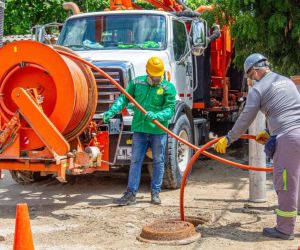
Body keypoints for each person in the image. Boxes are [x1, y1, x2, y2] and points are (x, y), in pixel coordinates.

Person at [214, 53, 300, 240]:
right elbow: (288, 110)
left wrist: (228, 139)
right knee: (297, 179)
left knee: (285, 183)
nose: (251, 80)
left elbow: (246, 118)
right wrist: (271, 135)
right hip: (294, 134)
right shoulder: (286, 81)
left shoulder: (259, 89)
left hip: (290, 138)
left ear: (255, 70)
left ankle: (284, 229)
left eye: (250, 76)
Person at [102, 57, 176, 206]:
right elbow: (124, 98)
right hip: (140, 130)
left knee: (158, 161)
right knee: (135, 161)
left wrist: (157, 116)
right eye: (154, 76)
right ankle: (131, 193)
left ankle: (155, 193)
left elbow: (169, 110)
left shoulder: (168, 88)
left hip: (158, 131)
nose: (156, 79)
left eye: (158, 76)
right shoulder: (137, 83)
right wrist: (112, 111)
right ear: (147, 72)